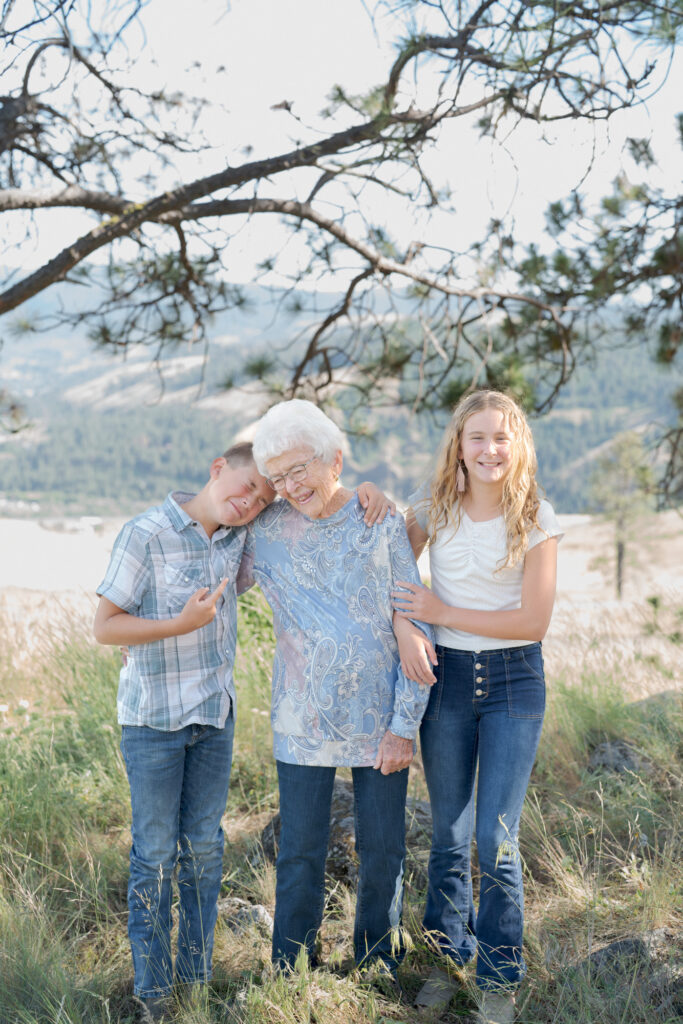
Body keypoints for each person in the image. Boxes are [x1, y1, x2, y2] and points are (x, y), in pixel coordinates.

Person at [93, 441, 393, 1021]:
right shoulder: (146, 533)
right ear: (216, 469)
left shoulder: (239, 538)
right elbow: (106, 626)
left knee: (205, 850)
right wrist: (174, 625)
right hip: (154, 721)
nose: (251, 500)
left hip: (214, 718)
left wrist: (363, 493)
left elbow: (315, 513)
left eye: (262, 495)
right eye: (245, 484)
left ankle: (197, 979)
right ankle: (154, 993)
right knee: (154, 854)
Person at [238, 399, 436, 985]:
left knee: (382, 850)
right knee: (299, 852)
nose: (289, 485)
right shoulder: (263, 533)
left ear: (335, 460)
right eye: (277, 475)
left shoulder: (379, 521)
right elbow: (213, 570)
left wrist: (405, 725)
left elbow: (414, 623)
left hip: (380, 721)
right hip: (301, 720)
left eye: (299, 468)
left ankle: (378, 965)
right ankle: (292, 968)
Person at [392, 390, 562, 1024]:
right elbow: (389, 570)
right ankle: (445, 957)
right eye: (477, 438)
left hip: (516, 682)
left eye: (501, 437)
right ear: (458, 446)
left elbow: (533, 621)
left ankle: (497, 975)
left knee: (497, 838)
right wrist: (410, 628)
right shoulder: (433, 511)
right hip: (449, 682)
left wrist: (440, 613)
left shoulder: (536, 518)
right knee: (449, 834)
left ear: (516, 446)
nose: (490, 449)